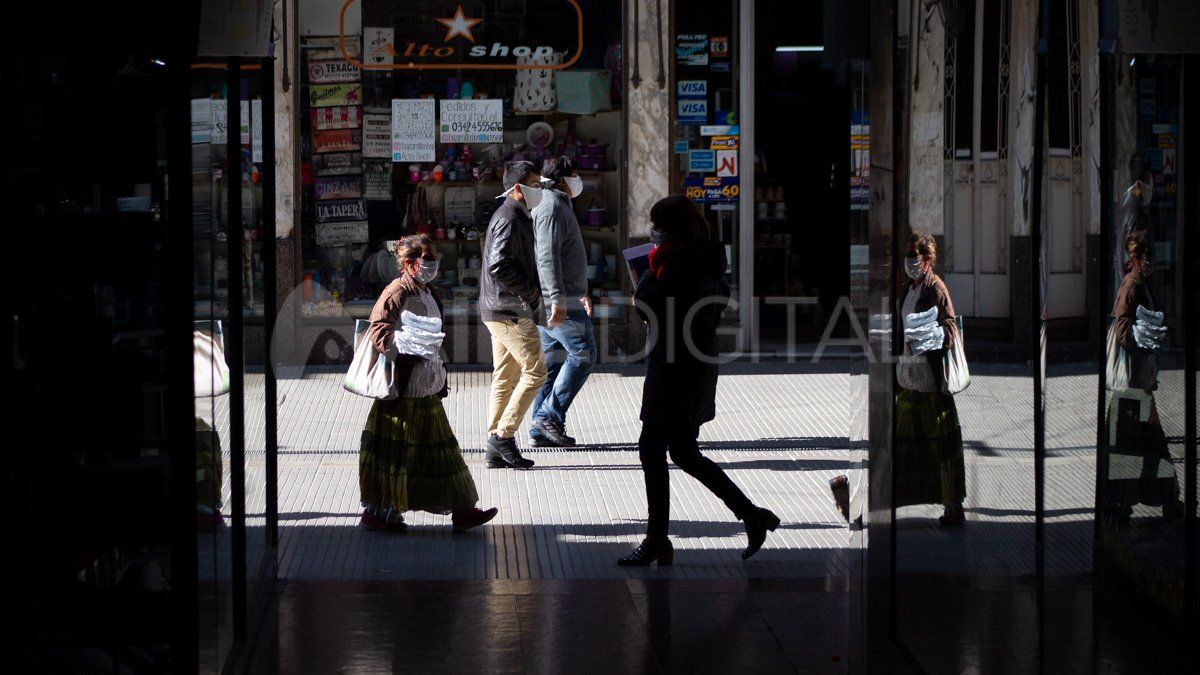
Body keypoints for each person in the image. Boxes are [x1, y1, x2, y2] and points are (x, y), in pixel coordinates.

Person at [618, 196, 780, 566]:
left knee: (653, 449)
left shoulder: (682, 265)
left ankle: (657, 538)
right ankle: (753, 516)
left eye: (657, 223)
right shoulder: (705, 259)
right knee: (683, 452)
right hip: (692, 365)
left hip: (678, 369)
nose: (653, 231)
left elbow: (653, 304)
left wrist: (644, 275)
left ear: (671, 228)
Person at [358, 234, 498, 533]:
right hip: (403, 391)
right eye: (426, 263)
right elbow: (379, 332)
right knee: (394, 454)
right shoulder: (396, 292)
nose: (431, 268)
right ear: (409, 264)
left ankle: (463, 509)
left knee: (443, 452)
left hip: (427, 386)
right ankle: (379, 513)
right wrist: (406, 344)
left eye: (434, 262)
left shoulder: (429, 291)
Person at [1102, 230, 1181, 525]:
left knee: (1147, 444)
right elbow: (1122, 328)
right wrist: (1144, 336)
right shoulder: (1131, 285)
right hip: (1131, 386)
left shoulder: (1142, 283)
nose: (1150, 262)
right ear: (1136, 258)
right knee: (1131, 446)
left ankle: (1166, 498)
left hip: (1141, 385)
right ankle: (1124, 503)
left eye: (1151, 257)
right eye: (1146, 257)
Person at [894, 231, 966, 526]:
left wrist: (929, 336)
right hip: (908, 378)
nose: (910, 261)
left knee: (941, 445)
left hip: (931, 381)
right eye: (908, 255)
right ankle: (898, 500)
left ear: (927, 260)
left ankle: (953, 506)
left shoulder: (936, 288)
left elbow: (949, 327)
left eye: (916, 256)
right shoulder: (908, 289)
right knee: (906, 445)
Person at [480, 161, 547, 470]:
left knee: (505, 377)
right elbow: (498, 266)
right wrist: (531, 293)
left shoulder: (513, 214)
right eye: (535, 183)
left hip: (498, 307)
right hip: (509, 309)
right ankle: (503, 436)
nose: (540, 189)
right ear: (518, 188)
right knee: (535, 372)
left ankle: (496, 441)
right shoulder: (509, 217)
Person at [530, 156, 596, 447]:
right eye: (575, 175)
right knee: (583, 353)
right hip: (557, 300)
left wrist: (580, 289)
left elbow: (564, 256)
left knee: (553, 362)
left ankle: (539, 427)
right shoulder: (551, 207)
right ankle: (549, 416)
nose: (578, 180)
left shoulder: (557, 203)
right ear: (562, 179)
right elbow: (546, 257)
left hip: (562, 296)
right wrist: (556, 298)